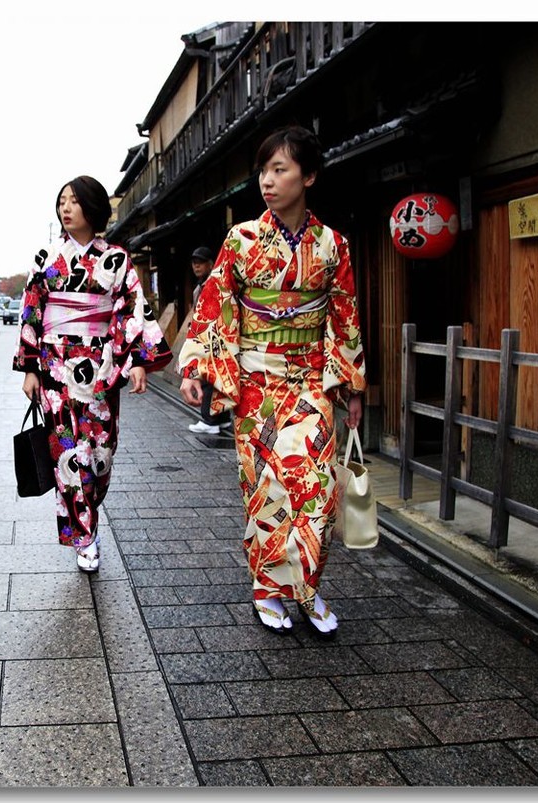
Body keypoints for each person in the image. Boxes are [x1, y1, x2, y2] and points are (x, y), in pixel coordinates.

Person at [178, 125, 366, 636]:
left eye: (279, 169)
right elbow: (216, 305)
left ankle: (306, 588)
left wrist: (348, 388)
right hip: (256, 383)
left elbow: (343, 315)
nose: (267, 180)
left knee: (317, 489)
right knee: (266, 489)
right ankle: (268, 589)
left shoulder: (333, 246)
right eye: (264, 170)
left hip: (309, 381)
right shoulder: (241, 241)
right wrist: (201, 368)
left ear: (308, 176)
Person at [14, 175, 172, 572]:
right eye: (62, 202)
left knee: (99, 454)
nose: (66, 208)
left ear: (94, 208)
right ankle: (84, 537)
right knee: (67, 453)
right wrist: (29, 366)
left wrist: (136, 360)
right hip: (54, 367)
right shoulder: (46, 258)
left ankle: (90, 512)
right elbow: (31, 311)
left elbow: (131, 309)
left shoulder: (116, 258)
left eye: (74, 201)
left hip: (100, 366)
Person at [185, 246, 231, 435]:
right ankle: (222, 418)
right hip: (211, 335)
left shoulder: (214, 283)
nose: (196, 266)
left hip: (212, 336)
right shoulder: (202, 284)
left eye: (201, 263)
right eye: (194, 263)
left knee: (208, 377)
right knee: (216, 377)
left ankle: (209, 419)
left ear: (211, 264)